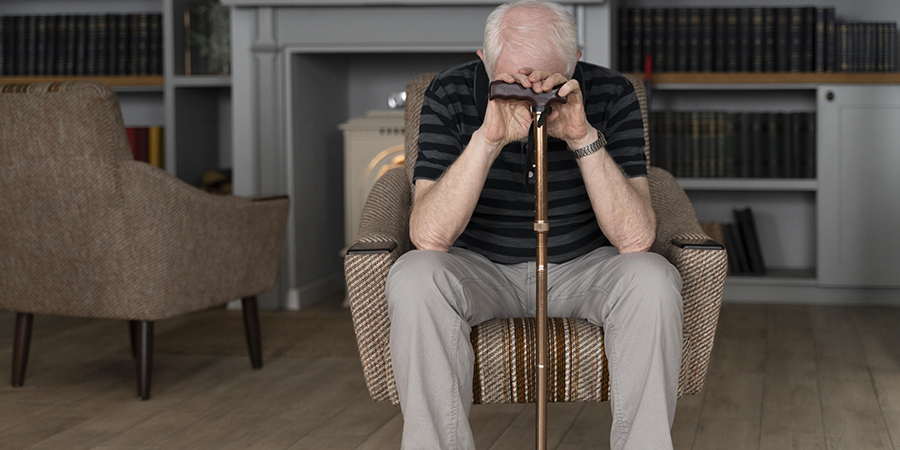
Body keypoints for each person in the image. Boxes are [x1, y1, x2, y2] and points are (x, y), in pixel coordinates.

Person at [385, 1, 683, 449]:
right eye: (511, 81)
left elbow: (636, 238)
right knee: (414, 276)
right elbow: (429, 236)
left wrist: (583, 138)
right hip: (479, 269)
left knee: (653, 279)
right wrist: (488, 140)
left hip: (584, 268)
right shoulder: (448, 92)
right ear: (484, 62)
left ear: (575, 62)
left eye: (547, 82)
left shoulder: (612, 91)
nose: (530, 93)